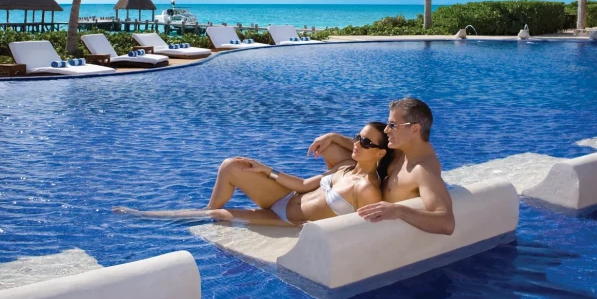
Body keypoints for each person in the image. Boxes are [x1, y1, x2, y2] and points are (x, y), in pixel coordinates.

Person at [113, 122, 393, 226]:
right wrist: (264, 169)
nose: (356, 143)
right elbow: (303, 184)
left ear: (380, 153)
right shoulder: (345, 166)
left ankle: (146, 216)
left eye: (366, 143)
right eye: (358, 137)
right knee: (232, 165)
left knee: (219, 215)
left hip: (286, 219)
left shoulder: (366, 189)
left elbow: (363, 233)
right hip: (287, 196)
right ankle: (205, 216)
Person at [308, 98, 455, 235]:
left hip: (370, 217)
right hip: (361, 197)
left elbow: (447, 223)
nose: (386, 130)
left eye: (392, 125)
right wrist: (333, 137)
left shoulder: (423, 171)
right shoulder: (403, 149)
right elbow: (368, 146)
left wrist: (399, 211)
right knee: (330, 147)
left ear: (415, 129)